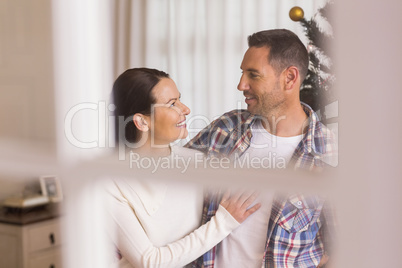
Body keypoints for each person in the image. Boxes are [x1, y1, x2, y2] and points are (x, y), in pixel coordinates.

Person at [186, 29, 337, 267]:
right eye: (242, 73)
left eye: (253, 75)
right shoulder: (226, 129)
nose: (241, 85)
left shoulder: (330, 154)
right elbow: (169, 186)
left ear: (289, 78)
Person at [105, 67, 261, 268]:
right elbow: (149, 262)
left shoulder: (196, 161)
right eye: (172, 104)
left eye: (179, 99)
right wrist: (224, 223)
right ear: (142, 122)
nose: (185, 109)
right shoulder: (110, 181)